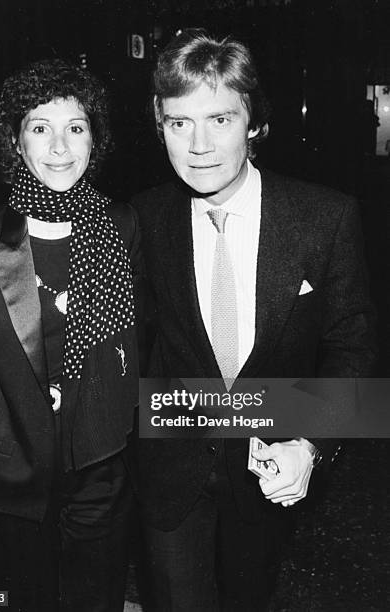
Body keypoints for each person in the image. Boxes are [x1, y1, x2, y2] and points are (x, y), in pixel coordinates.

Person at [131, 29, 376, 611]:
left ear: (254, 123)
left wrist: (311, 445)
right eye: (178, 123)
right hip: (170, 466)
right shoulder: (141, 219)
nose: (198, 145)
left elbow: (353, 351)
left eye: (219, 119)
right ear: (160, 127)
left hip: (268, 464)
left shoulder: (325, 218)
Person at [0, 58, 142, 612]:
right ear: (16, 140)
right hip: (11, 472)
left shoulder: (120, 224)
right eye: (40, 128)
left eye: (76, 128)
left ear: (94, 140)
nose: (59, 147)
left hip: (101, 461)